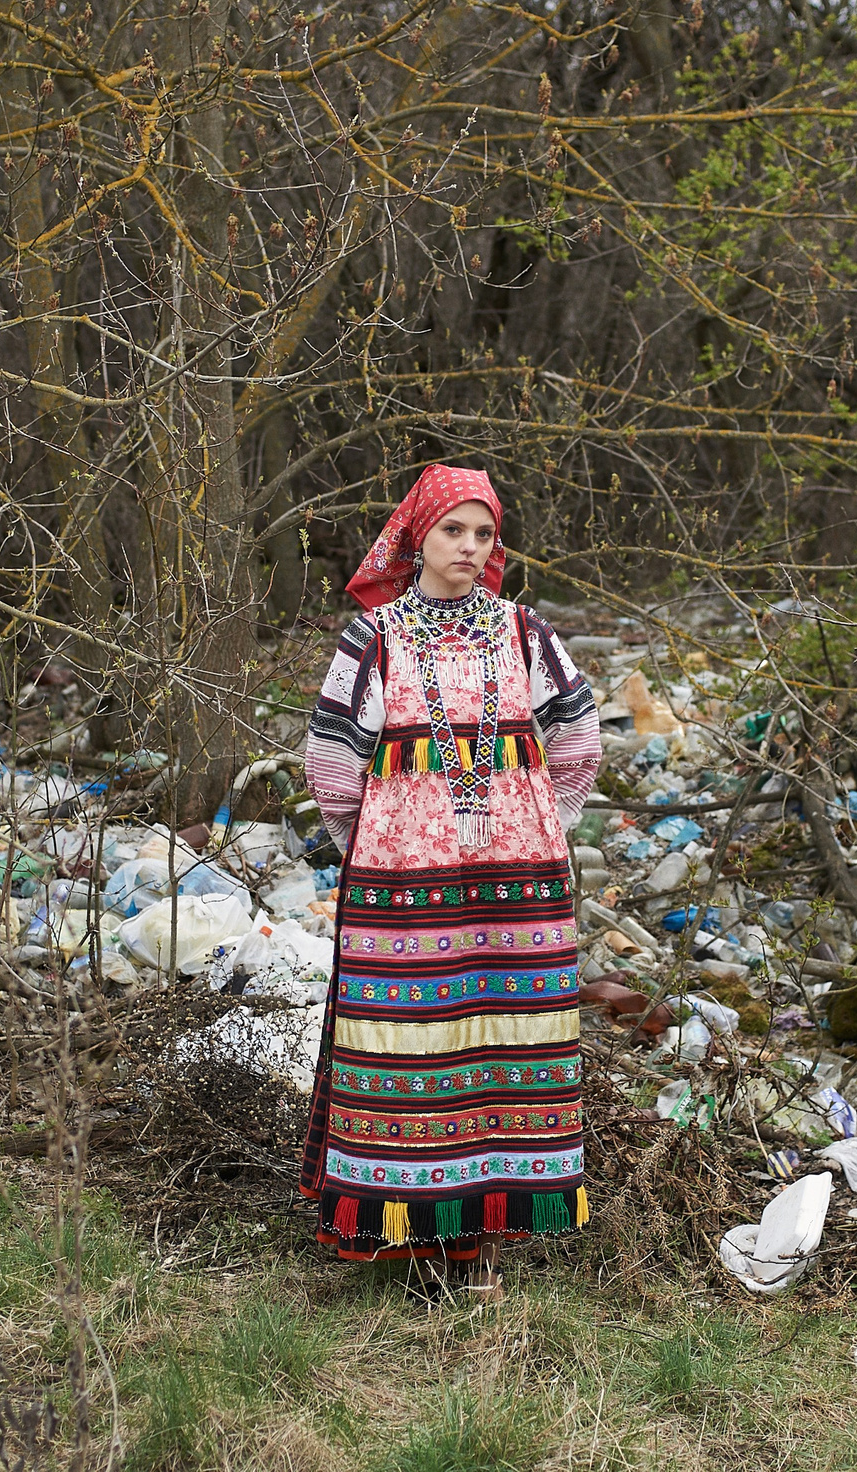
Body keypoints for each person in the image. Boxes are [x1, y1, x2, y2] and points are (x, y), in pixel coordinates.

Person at [298, 465, 601, 1299]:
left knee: (503, 1045)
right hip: (401, 886)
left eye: (483, 534)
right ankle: (417, 1240)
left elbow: (579, 737)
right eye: (452, 532)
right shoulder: (374, 638)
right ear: (416, 539)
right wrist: (375, 843)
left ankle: (482, 1246)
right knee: (413, 1041)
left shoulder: (525, 633)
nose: (469, 548)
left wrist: (541, 823)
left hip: (514, 883)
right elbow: (330, 759)